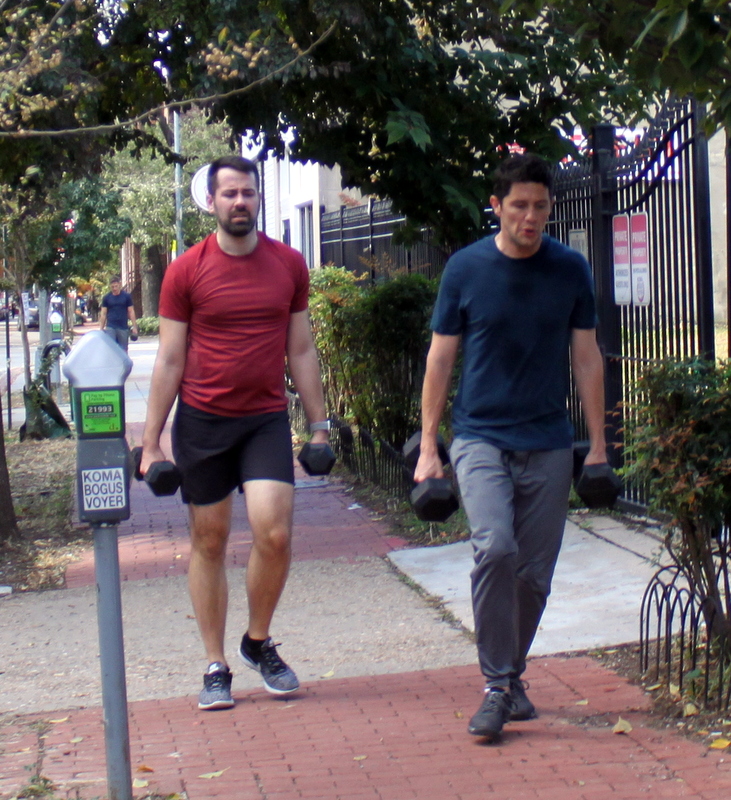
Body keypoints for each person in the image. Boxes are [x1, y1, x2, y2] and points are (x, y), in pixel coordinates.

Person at [414, 153, 608, 742]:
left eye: (540, 206)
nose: (530, 217)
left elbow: (586, 357)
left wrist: (598, 445)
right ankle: (497, 686)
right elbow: (440, 359)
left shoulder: (569, 269)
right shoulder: (466, 269)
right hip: (480, 436)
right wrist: (429, 447)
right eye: (519, 205)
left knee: (534, 575)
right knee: (495, 547)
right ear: (496, 206)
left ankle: (511, 675)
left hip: (548, 440)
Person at [139, 155, 331, 711]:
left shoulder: (288, 264)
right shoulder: (186, 270)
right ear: (213, 202)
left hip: (264, 418)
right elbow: (170, 358)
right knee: (210, 540)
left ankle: (257, 641)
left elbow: (301, 348)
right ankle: (215, 664)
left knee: (275, 534)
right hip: (203, 421)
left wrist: (319, 426)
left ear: (258, 198)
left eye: (248, 192)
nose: (240, 202)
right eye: (230, 194)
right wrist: (150, 442)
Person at [99, 276, 138, 351]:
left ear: (119, 285)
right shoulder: (106, 298)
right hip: (111, 326)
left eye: (116, 286)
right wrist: (101, 328)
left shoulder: (126, 296)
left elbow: (131, 311)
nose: (114, 289)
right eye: (112, 287)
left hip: (123, 327)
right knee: (111, 349)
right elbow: (103, 313)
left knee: (123, 350)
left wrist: (134, 327)